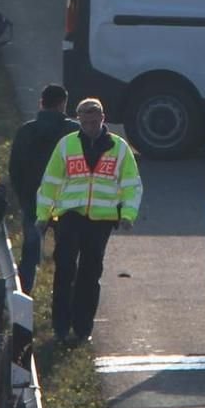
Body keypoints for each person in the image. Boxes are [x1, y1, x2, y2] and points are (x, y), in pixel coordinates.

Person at [35, 97, 142, 345]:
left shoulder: (119, 147)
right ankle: (61, 327)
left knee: (90, 274)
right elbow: (50, 183)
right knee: (65, 270)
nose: (91, 126)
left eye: (95, 122)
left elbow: (131, 184)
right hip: (70, 216)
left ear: (103, 119)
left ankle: (83, 328)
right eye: (86, 122)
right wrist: (43, 216)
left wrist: (128, 215)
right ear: (78, 120)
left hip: (101, 221)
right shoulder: (66, 145)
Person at [9, 84, 72, 292]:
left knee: (30, 253)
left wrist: (23, 197)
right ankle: (63, 298)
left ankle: (24, 298)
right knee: (67, 255)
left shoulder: (26, 131)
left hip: (33, 201)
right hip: (66, 203)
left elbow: (15, 169)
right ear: (63, 104)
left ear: (41, 102)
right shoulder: (73, 132)